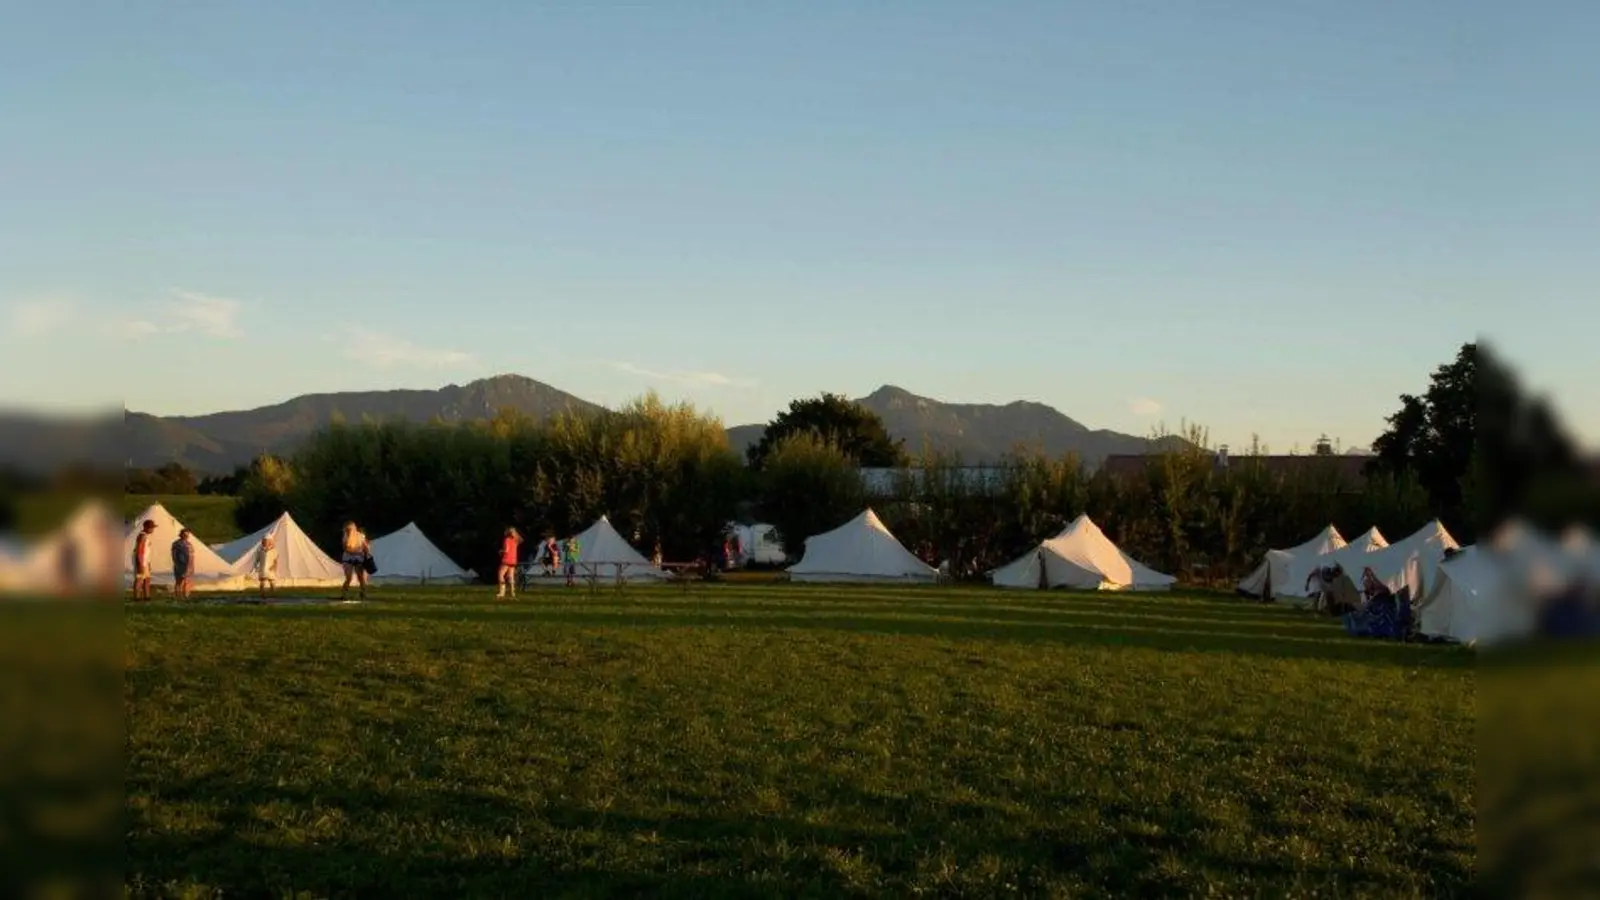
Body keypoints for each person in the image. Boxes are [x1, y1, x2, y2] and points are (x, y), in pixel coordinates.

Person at [340, 521, 371, 601]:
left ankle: (363, 593)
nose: (348, 530)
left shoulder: (361, 536)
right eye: (347, 529)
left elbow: (365, 547)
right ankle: (344, 594)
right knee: (349, 577)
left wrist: (367, 553)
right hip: (348, 558)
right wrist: (357, 550)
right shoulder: (346, 537)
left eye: (350, 529)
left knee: (361, 578)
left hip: (358, 558)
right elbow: (346, 548)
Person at [131, 519, 156, 601]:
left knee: (147, 579)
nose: (152, 529)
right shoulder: (142, 536)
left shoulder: (146, 536)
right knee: (139, 579)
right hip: (141, 560)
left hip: (145, 560)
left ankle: (147, 596)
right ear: (146, 527)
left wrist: (148, 562)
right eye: (151, 528)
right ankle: (137, 597)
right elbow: (139, 550)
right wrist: (140, 563)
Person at [496, 527, 521, 599]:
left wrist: (501, 551)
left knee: (500, 574)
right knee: (511, 576)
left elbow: (506, 550)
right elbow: (520, 540)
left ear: (507, 533)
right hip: (513, 560)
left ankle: (502, 592)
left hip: (507, 559)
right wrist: (516, 533)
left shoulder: (507, 539)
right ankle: (513, 593)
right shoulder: (516, 540)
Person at [170, 528, 194, 601]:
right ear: (181, 534)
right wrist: (176, 563)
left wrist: (192, 565)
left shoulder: (189, 544)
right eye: (185, 534)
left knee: (188, 581)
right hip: (180, 565)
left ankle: (186, 596)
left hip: (189, 566)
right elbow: (174, 555)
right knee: (179, 581)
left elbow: (192, 555)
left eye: (187, 534)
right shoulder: (177, 544)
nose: (186, 536)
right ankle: (178, 597)